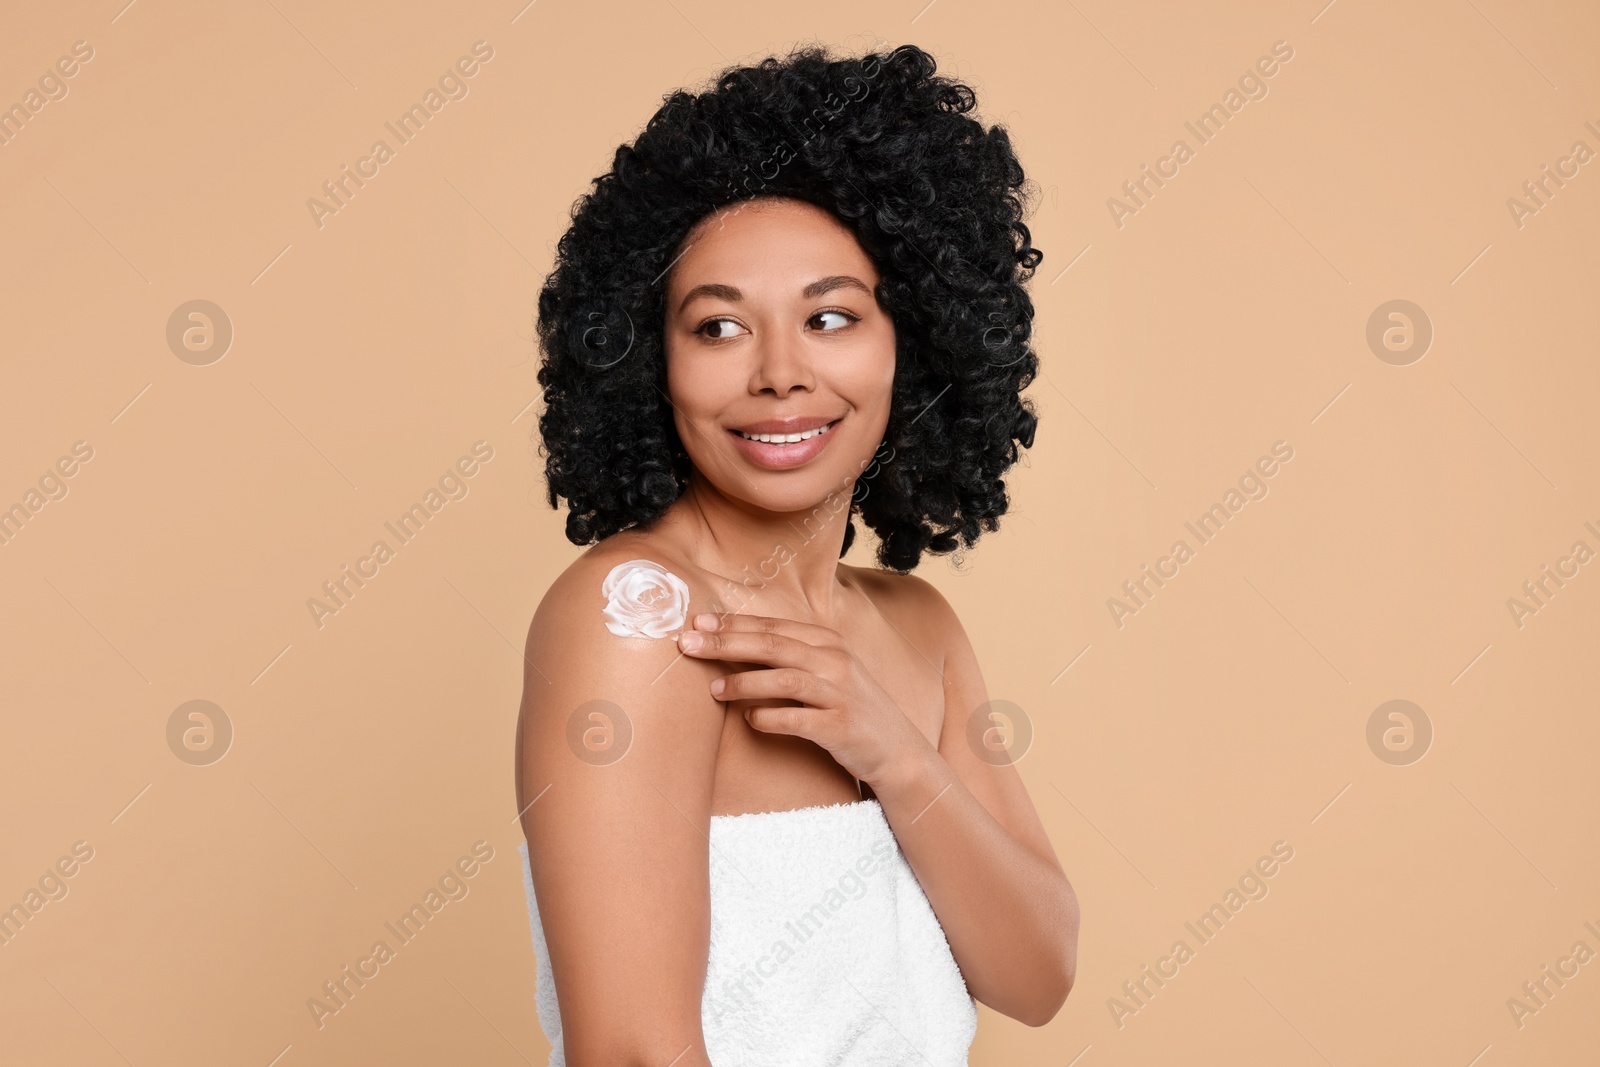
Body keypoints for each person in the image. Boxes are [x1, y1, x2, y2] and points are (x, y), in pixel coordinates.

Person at [513, 41, 1078, 1066]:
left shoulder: (916, 625)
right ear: (650, 359)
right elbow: (632, 1049)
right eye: (719, 326)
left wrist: (891, 750)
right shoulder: (637, 617)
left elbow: (1035, 972)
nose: (779, 373)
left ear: (916, 338)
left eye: (829, 317)